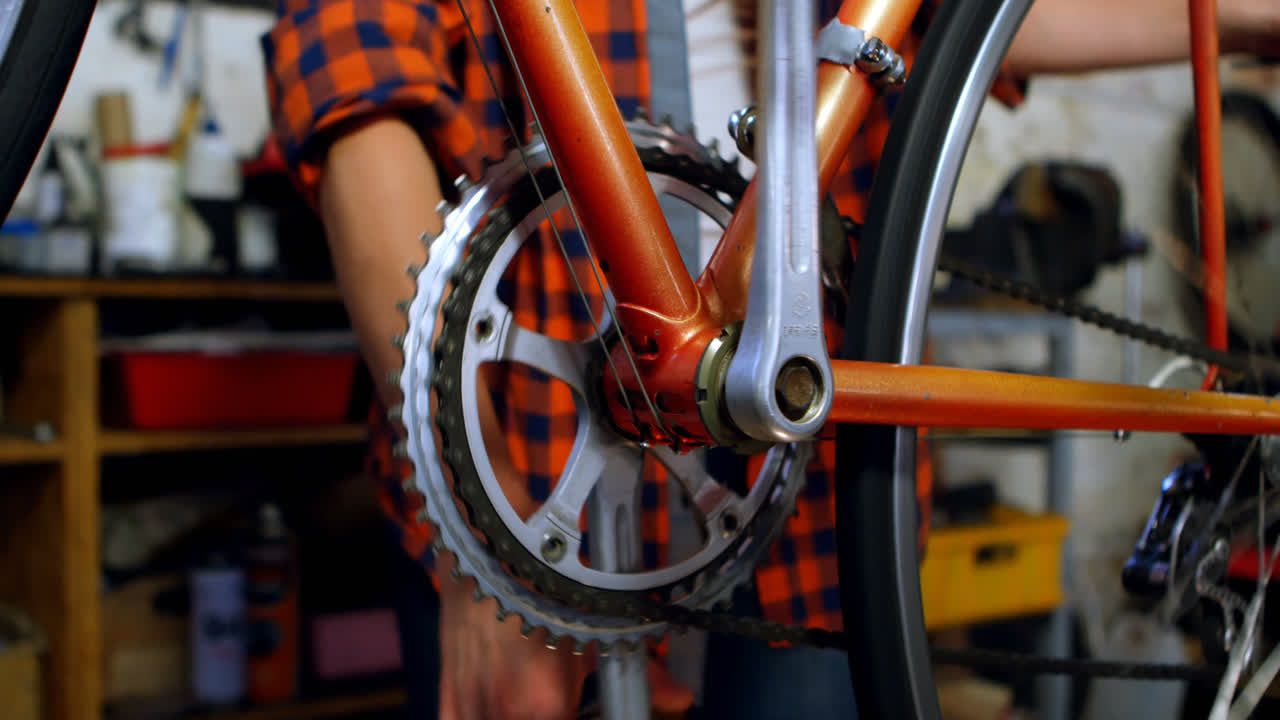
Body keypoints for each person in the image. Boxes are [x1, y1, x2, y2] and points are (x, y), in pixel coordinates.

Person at [260, 1, 1279, 717]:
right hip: (528, 468)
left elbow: (981, 15)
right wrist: (475, 536)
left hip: (811, 498)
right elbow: (355, 84)